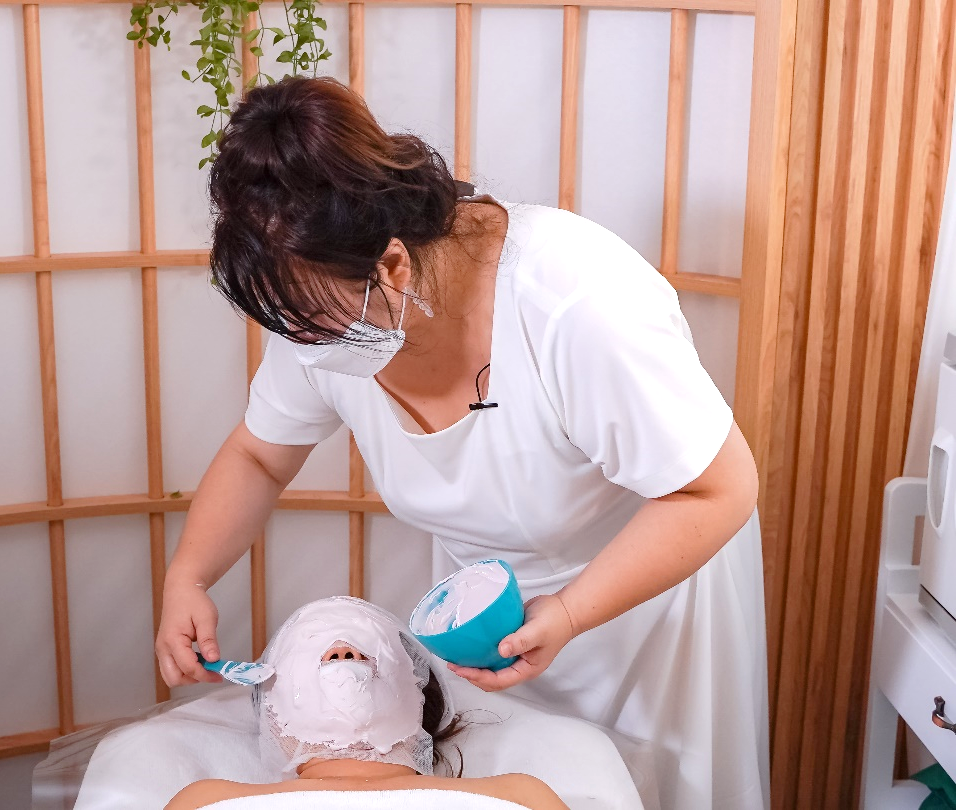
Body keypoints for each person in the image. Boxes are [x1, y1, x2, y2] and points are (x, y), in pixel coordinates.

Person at [155, 74, 769, 809]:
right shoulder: (319, 314)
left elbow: (717, 488)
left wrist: (571, 613)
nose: (301, 346)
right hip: (493, 628)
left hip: (648, 601)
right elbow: (260, 456)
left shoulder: (574, 302)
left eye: (312, 323)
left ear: (392, 266)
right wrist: (188, 576)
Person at [165, 596, 567, 810]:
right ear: (272, 720)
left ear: (420, 697)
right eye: (312, 649)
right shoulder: (203, 801)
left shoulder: (521, 797)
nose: (343, 655)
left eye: (368, 648)